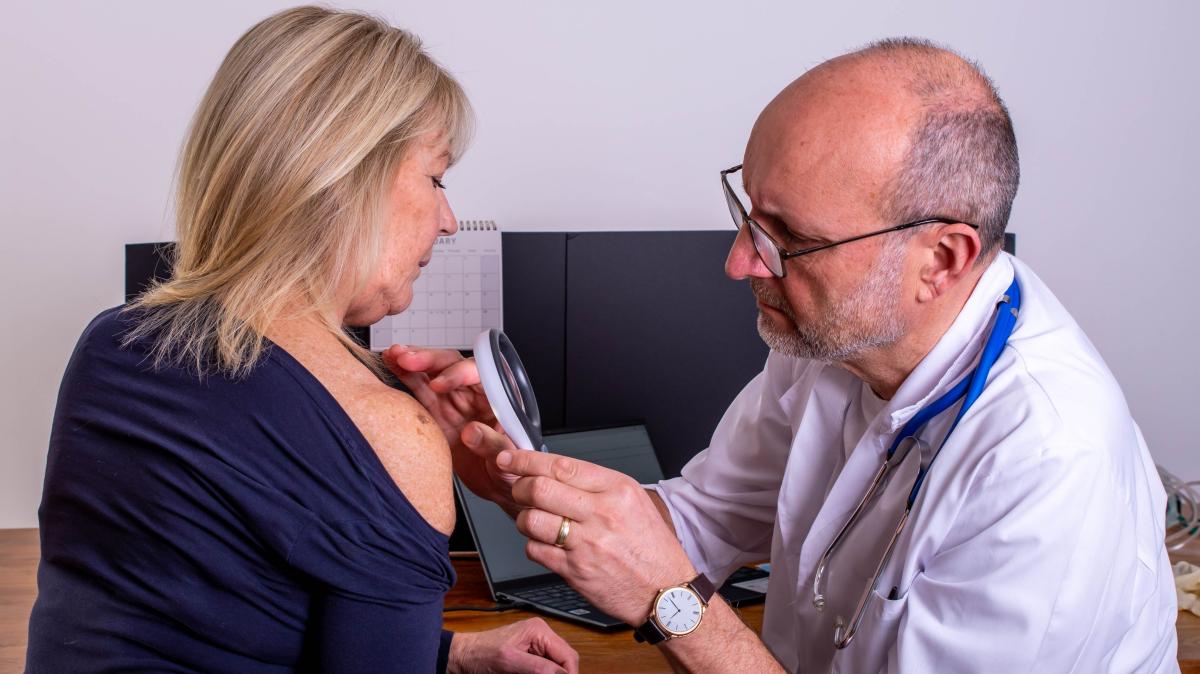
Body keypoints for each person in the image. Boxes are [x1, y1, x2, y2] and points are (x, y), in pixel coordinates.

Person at [390, 39, 1179, 672]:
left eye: (790, 240)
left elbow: (671, 574)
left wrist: (674, 602)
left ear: (940, 260)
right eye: (748, 213)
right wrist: (515, 480)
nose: (741, 262)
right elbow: (700, 522)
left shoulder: (1046, 461)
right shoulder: (838, 338)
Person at [26, 7, 577, 674]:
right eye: (435, 177)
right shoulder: (387, 432)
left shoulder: (110, 346)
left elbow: (202, 625)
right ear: (343, 176)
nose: (449, 219)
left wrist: (447, 654)